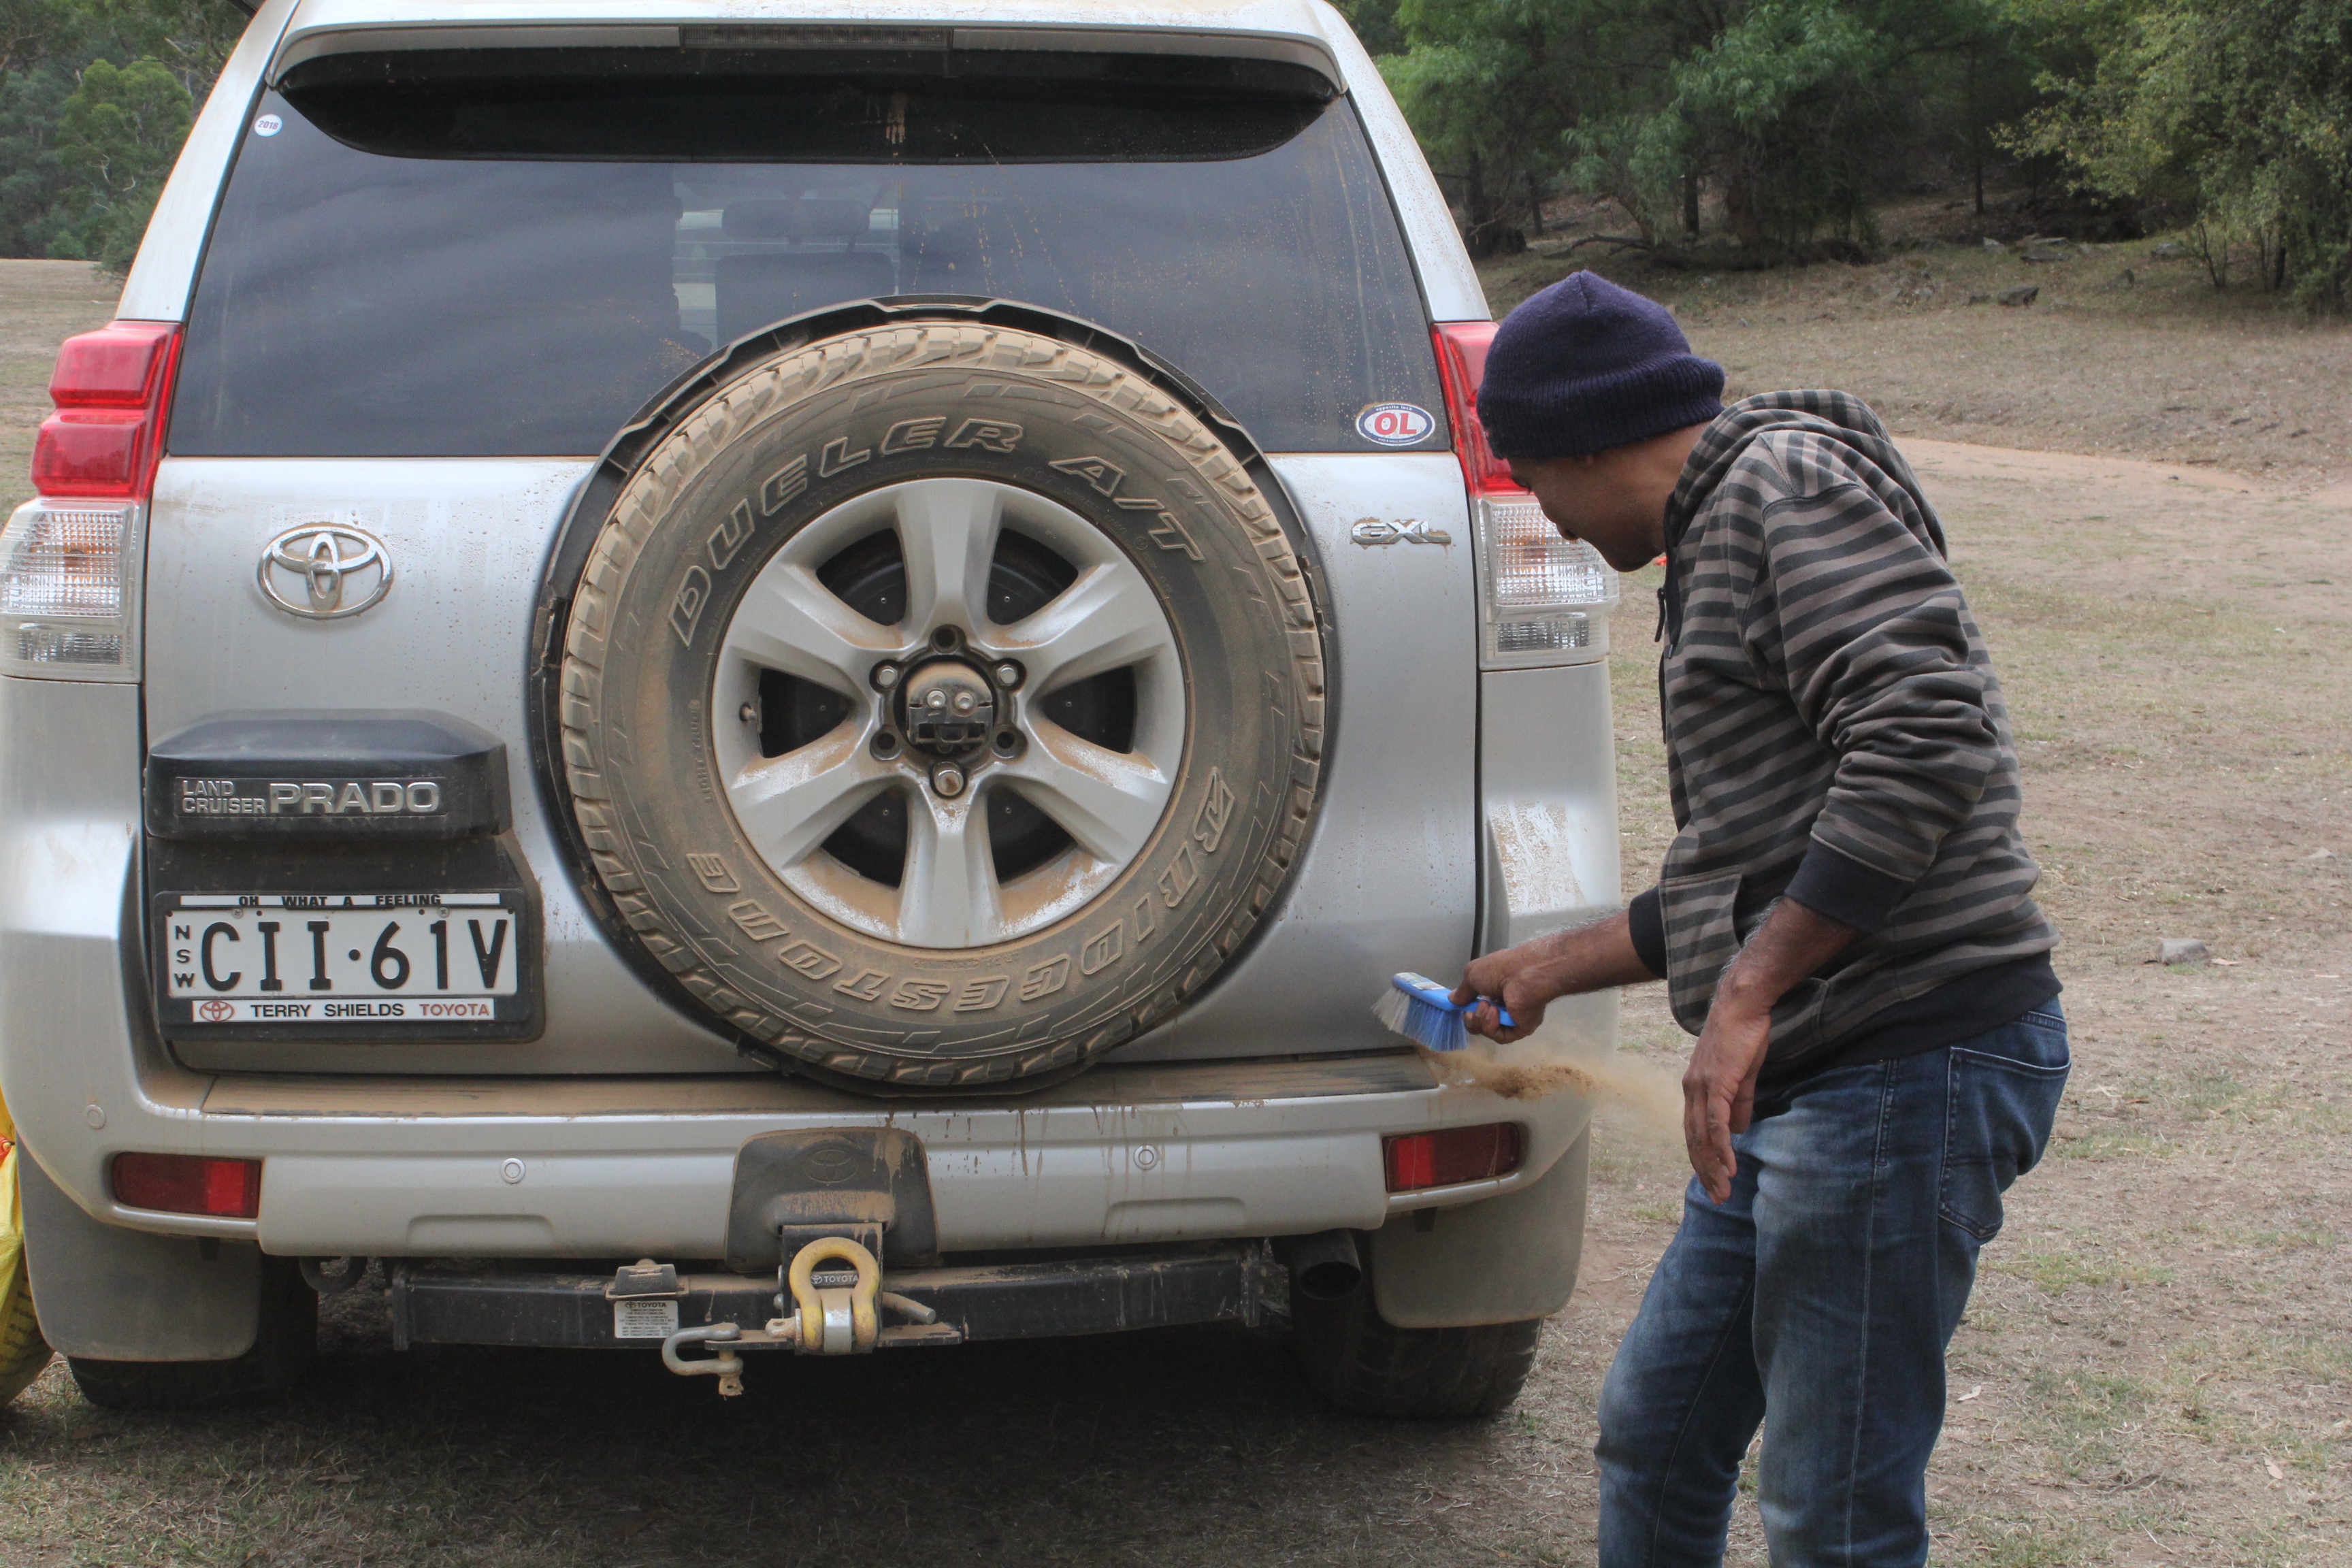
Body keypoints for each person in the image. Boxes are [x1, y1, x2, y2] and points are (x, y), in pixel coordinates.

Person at [1454, 272, 2068, 1568]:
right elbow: (1761, 868)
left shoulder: (1774, 489)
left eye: (1537, 479)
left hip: (1902, 1061)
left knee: (1831, 1510)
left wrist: (1746, 996)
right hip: (1818, 1067)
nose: (1549, 516)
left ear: (1586, 442)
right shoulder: (1723, 524)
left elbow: (1926, 736)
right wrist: (1556, 965)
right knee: (1658, 1435)